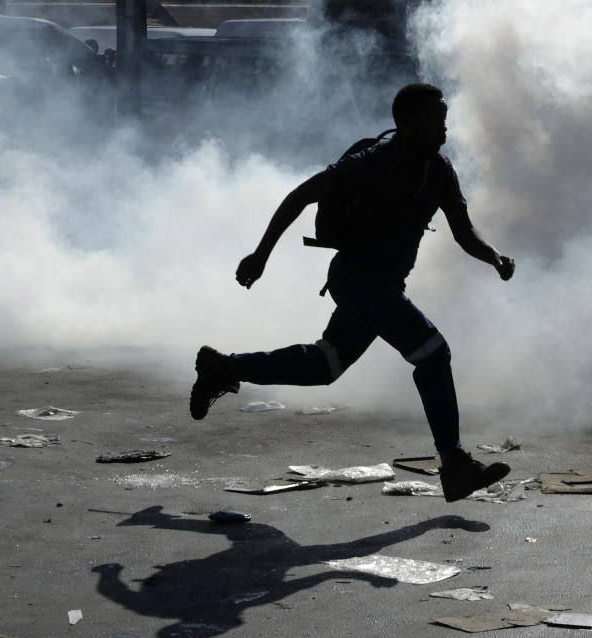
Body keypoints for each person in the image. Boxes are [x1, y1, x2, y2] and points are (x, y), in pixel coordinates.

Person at [190, 83, 516, 502]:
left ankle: (224, 368)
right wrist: (260, 254)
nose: (444, 129)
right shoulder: (371, 162)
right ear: (407, 122)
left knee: (324, 366)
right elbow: (300, 196)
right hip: (357, 278)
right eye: (435, 120)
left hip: (383, 285)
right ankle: (453, 464)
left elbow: (463, 230)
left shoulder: (439, 170)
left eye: (445, 120)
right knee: (433, 353)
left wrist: (494, 256)